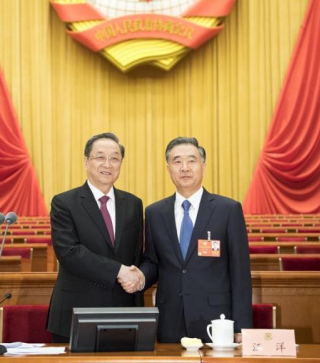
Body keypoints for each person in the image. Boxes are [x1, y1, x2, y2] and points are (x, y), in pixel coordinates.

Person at [121, 136, 252, 343]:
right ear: (168, 169)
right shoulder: (155, 212)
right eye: (177, 161)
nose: (185, 168)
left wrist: (242, 327)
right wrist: (141, 277)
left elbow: (240, 273)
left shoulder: (228, 210)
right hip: (170, 320)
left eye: (191, 161)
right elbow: (154, 262)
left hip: (217, 322)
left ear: (203, 166)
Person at [47, 132, 144, 342]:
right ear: (86, 161)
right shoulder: (64, 203)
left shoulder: (133, 204)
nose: (107, 164)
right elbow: (69, 253)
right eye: (99, 157)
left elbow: (136, 256)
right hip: (76, 312)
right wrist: (118, 270)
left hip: (124, 314)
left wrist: (139, 277)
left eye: (114, 158)